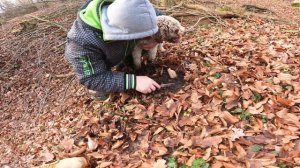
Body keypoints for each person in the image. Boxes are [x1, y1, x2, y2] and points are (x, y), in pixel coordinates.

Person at [65, 0, 162, 100]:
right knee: (101, 90)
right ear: (118, 33)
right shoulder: (81, 42)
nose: (145, 41)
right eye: (141, 37)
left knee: (129, 63)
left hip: (125, 48)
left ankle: (127, 63)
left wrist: (156, 39)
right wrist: (133, 81)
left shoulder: (134, 8)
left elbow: (159, 17)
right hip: (101, 63)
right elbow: (92, 78)